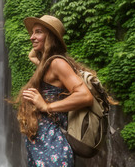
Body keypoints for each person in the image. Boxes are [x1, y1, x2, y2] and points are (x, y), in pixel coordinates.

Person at [16, 15, 94, 167]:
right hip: (40, 146)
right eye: (32, 33)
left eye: (38, 32)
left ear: (50, 37)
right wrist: (42, 46)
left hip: (53, 149)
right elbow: (31, 55)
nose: (32, 37)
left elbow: (85, 96)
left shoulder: (57, 64)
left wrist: (46, 106)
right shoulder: (45, 64)